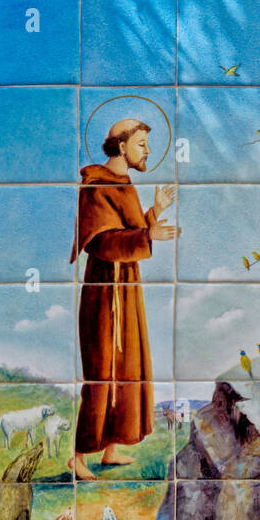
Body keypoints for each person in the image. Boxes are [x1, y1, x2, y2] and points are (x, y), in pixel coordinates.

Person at [68, 118, 178, 481]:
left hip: (126, 290)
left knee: (127, 367)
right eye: (142, 143)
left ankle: (111, 447)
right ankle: (79, 455)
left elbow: (130, 232)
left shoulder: (125, 186)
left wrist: (154, 212)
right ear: (120, 146)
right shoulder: (96, 186)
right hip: (105, 295)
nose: (147, 150)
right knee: (103, 372)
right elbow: (103, 242)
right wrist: (150, 233)